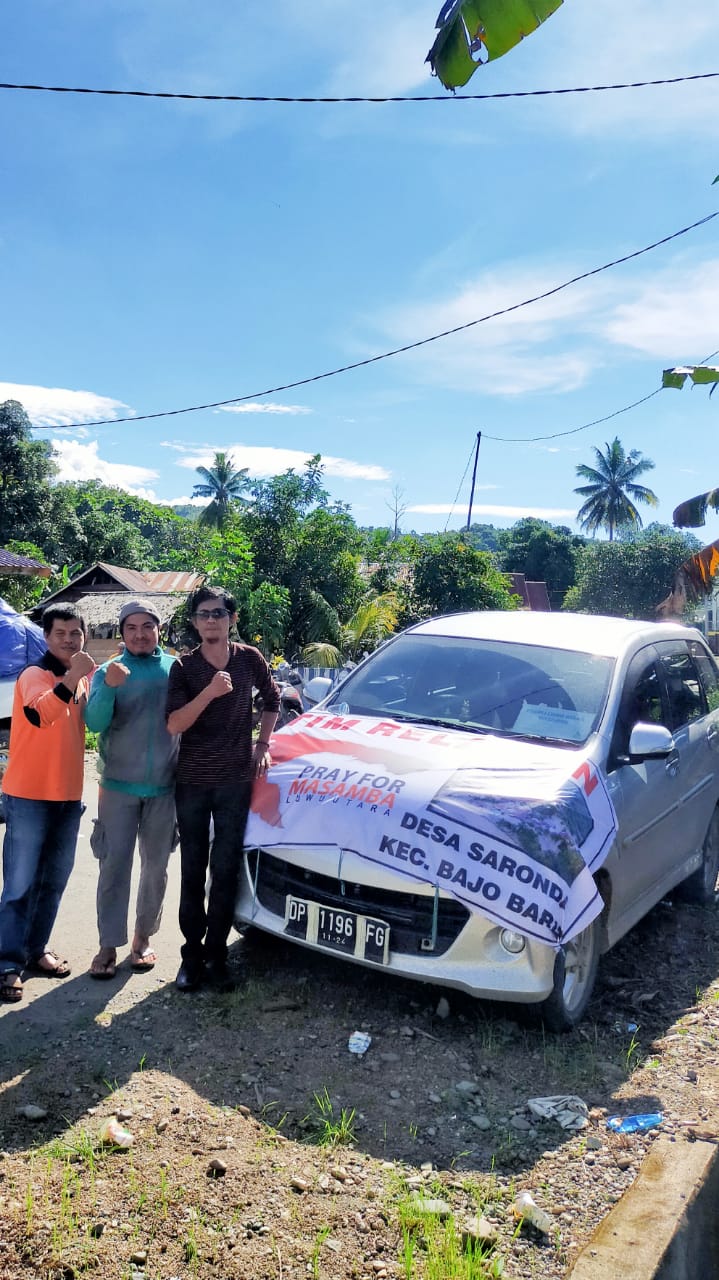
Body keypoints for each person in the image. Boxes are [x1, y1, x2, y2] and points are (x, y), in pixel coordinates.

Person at [166, 586, 280, 991]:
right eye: (203, 614)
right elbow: (174, 724)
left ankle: (217, 954)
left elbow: (273, 699)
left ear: (232, 619)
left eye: (218, 613)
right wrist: (210, 692)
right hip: (193, 782)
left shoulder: (249, 658)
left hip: (235, 780)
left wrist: (262, 745)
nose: (211, 620)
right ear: (194, 622)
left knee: (226, 868)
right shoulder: (184, 667)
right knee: (192, 869)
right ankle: (191, 955)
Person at [0, 604, 95, 1003]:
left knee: (53, 882)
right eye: (61, 634)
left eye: (76, 633)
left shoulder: (83, 679)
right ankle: (7, 964)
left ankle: (35, 950)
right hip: (28, 796)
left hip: (68, 796)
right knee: (19, 885)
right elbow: (42, 715)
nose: (69, 640)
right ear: (46, 636)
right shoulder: (33, 675)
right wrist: (73, 676)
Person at [84, 600, 179, 979]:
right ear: (122, 633)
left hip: (164, 788)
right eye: (132, 627)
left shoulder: (175, 670)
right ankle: (108, 944)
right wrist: (109, 688)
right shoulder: (107, 671)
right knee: (113, 866)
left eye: (147, 627)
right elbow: (94, 723)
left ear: (159, 630)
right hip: (117, 787)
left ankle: (143, 939)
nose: (140, 634)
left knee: (156, 869)